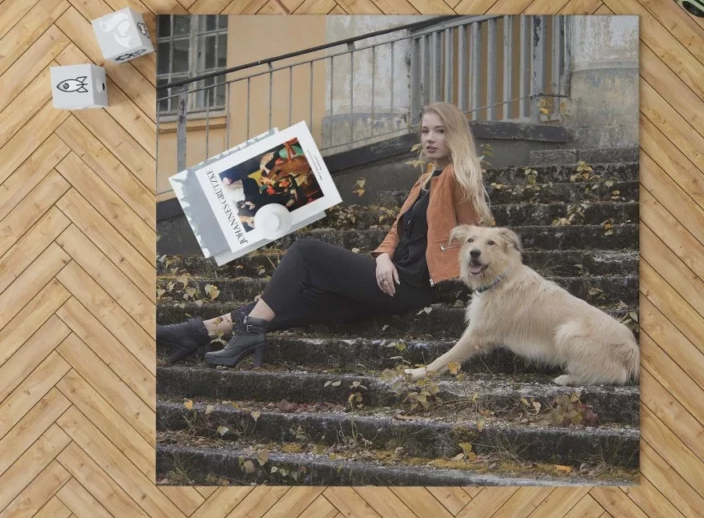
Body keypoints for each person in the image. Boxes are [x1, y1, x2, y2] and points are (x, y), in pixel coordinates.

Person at [156, 102, 492, 368]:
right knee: (294, 299)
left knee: (305, 252)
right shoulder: (424, 180)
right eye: (425, 131)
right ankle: (198, 332)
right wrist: (383, 257)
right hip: (394, 274)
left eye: (440, 131)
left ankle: (248, 332)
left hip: (413, 285)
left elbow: (478, 238)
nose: (430, 138)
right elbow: (397, 230)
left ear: (455, 135)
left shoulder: (456, 178)